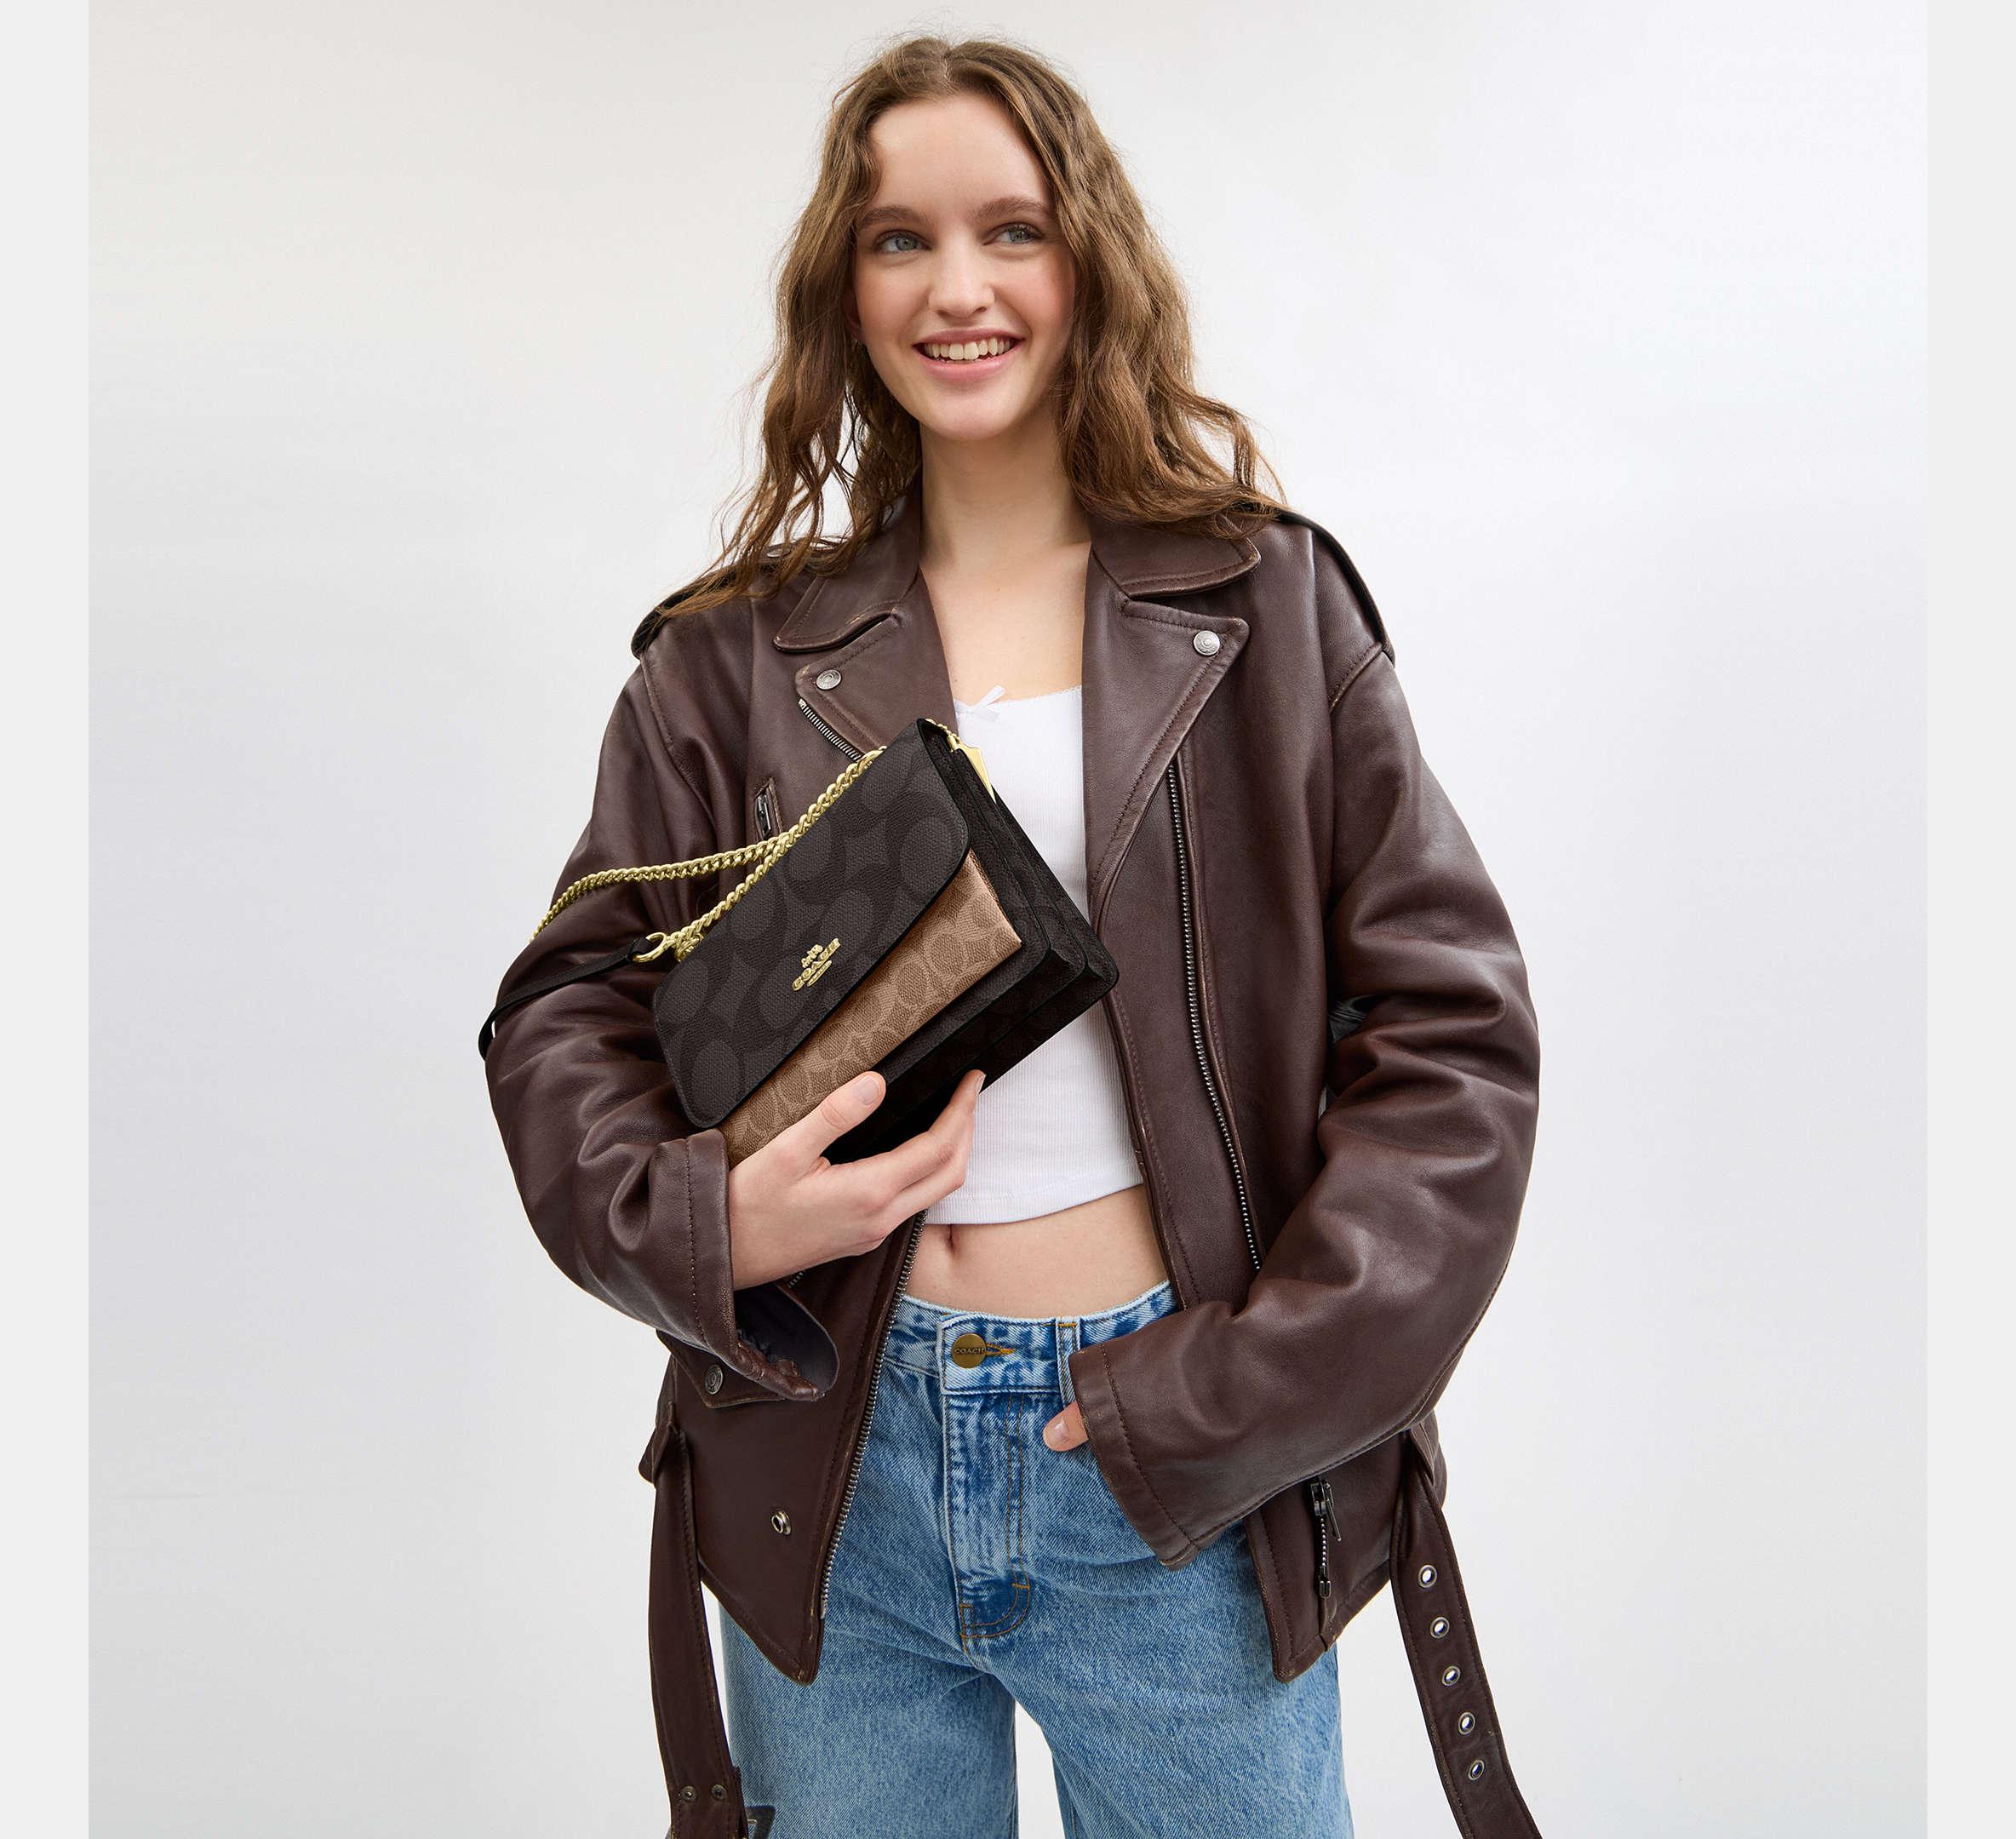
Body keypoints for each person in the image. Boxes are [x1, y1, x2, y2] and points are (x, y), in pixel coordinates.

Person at [481, 32, 1544, 1839]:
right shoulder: (729, 661)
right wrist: (713, 1226)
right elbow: (566, 1012)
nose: (954, 287)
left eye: (1010, 230)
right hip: (834, 1464)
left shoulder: (1264, 609)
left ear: (1087, 262)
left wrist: (1234, 1397)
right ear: (844, 289)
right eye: (898, 239)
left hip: (1170, 1470)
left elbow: (1454, 1047)